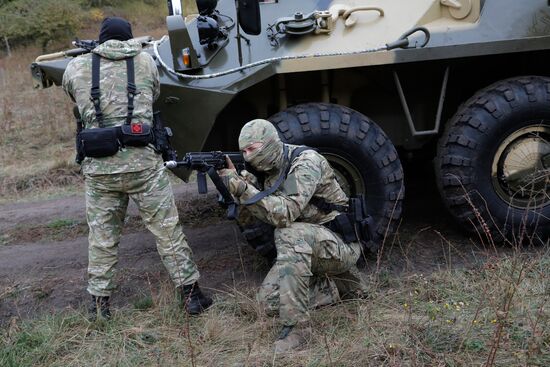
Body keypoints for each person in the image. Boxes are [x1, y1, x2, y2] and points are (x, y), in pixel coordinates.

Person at [62, 17, 212, 320]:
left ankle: (99, 306)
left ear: (101, 39)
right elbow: (154, 93)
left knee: (102, 237)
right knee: (167, 230)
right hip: (143, 164)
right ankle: (191, 297)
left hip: (100, 168)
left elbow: (73, 98)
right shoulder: (145, 61)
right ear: (129, 37)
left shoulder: (76, 67)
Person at [219, 119, 368, 352]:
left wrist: (243, 189)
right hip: (311, 246)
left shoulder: (305, 162)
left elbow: (284, 214)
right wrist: (240, 191)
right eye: (243, 152)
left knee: (288, 233)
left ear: (269, 143)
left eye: (252, 149)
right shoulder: (268, 169)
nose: (247, 157)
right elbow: (251, 220)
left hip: (340, 244)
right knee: (267, 303)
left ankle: (298, 329)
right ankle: (334, 286)